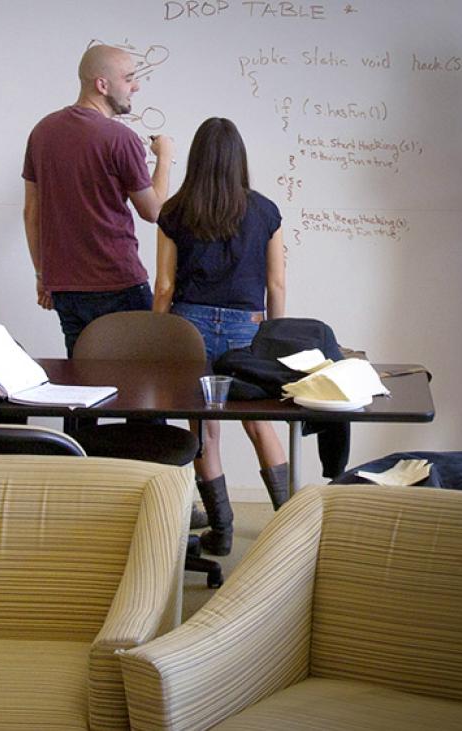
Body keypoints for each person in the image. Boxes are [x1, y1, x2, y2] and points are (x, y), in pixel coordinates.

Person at [152, 117, 288, 556]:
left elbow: (165, 286)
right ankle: (290, 527)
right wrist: (272, 336)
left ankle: (223, 531)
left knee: (204, 429)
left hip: (188, 327)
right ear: (238, 160)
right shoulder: (265, 211)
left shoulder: (175, 211)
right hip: (246, 328)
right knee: (258, 421)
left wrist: (158, 333)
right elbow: (277, 284)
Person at [23, 44, 175, 356]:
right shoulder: (120, 139)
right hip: (118, 283)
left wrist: (43, 275)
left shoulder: (42, 132)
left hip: (66, 289)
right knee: (141, 380)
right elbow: (154, 210)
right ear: (102, 85)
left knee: (84, 385)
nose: (136, 86)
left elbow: (31, 213)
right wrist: (165, 158)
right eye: (129, 78)